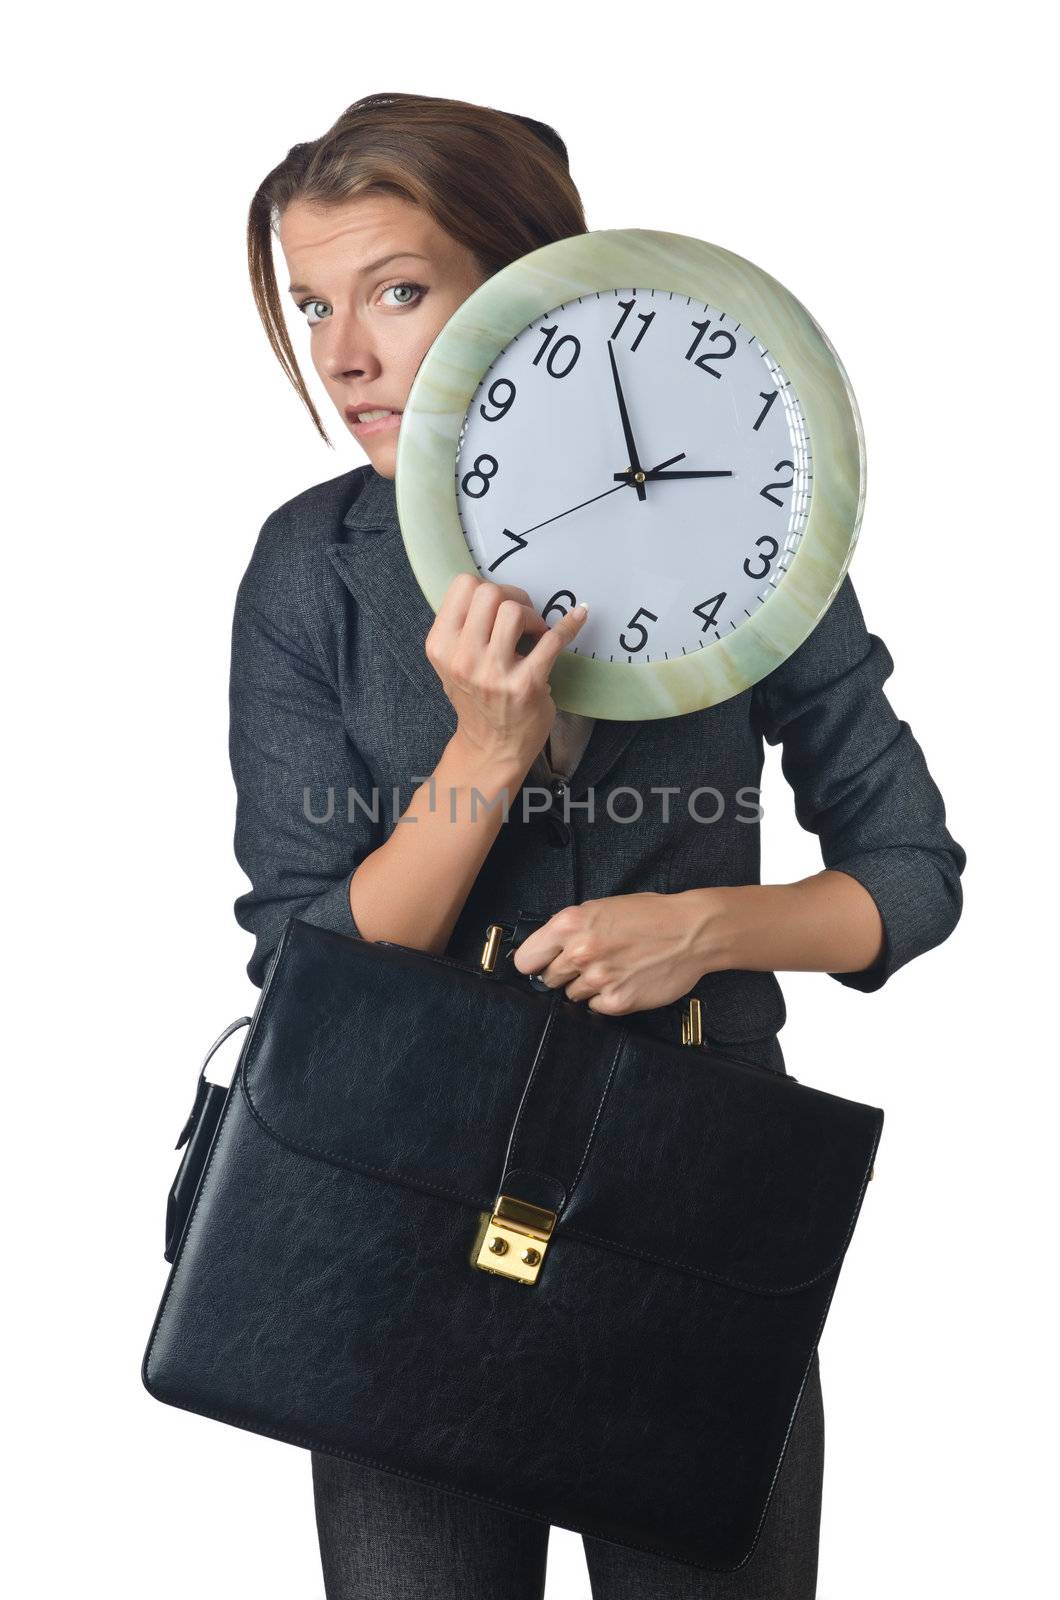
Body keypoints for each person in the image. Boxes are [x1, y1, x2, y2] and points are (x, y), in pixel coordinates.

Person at [232, 91, 966, 1600]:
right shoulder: (313, 569)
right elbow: (309, 959)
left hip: (694, 1198)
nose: (346, 354)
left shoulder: (758, 535)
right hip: (393, 1199)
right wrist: (484, 756)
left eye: (398, 290)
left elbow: (911, 874)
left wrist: (709, 925)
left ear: (532, 291)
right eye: (314, 304)